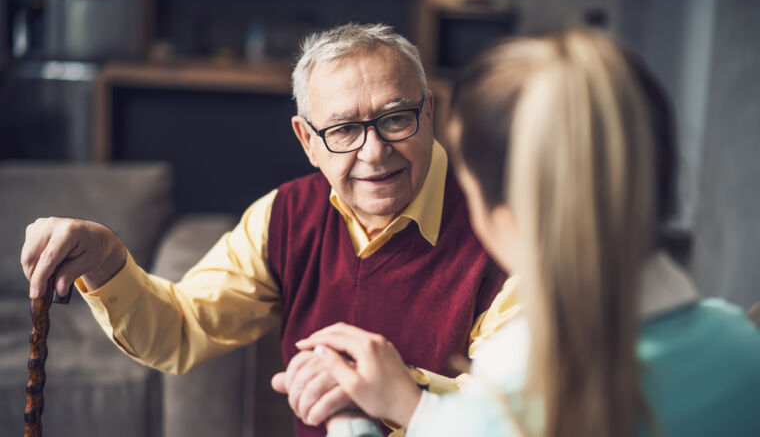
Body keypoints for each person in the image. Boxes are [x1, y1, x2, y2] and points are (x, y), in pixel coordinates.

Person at [19, 23, 517, 437]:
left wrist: (395, 390)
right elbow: (183, 328)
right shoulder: (284, 216)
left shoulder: (505, 228)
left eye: (396, 119)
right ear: (308, 140)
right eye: (343, 130)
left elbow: (522, 415)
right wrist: (109, 263)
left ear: (429, 112)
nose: (373, 152)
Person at [294, 29, 760, 437]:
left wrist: (350, 417)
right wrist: (414, 409)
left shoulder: (501, 415)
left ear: (506, 214)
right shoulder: (743, 348)